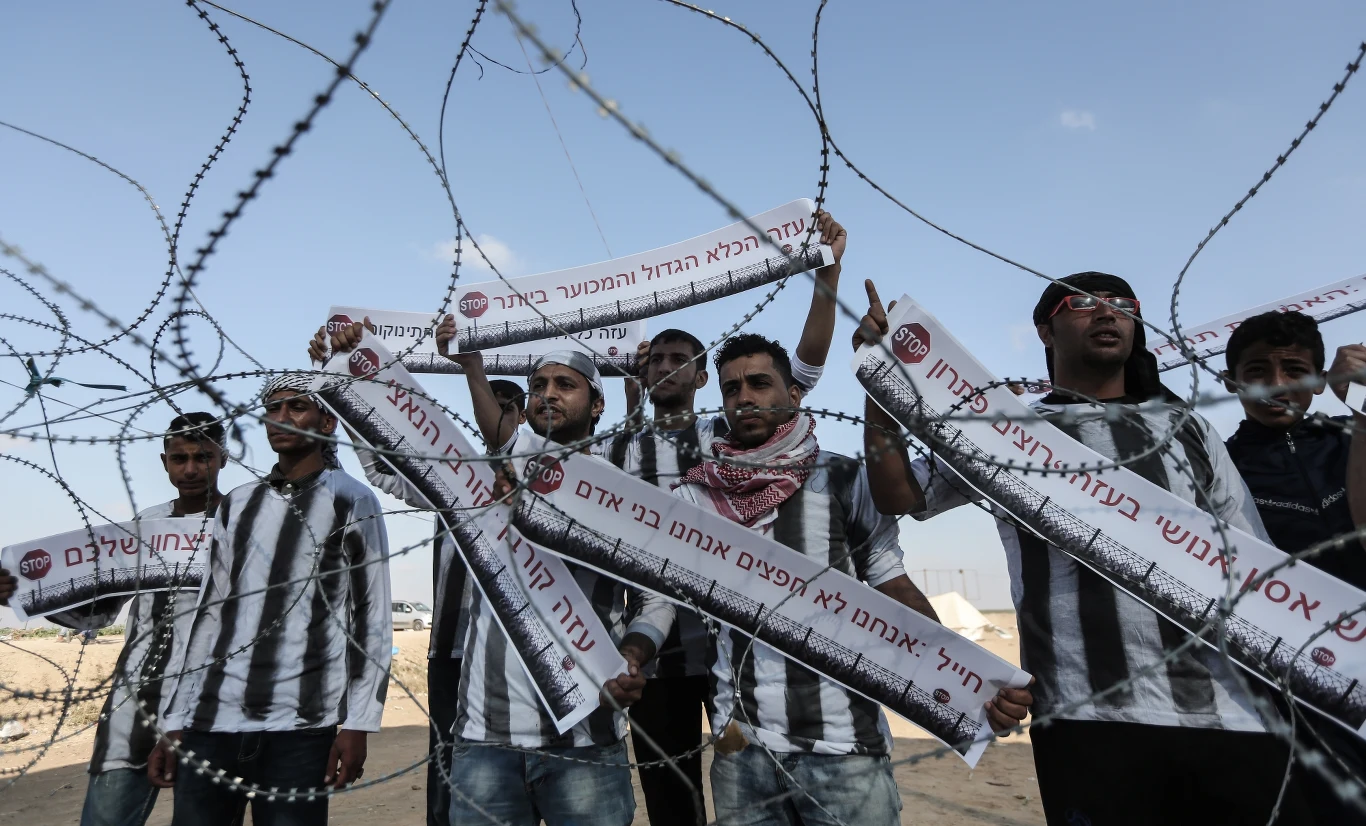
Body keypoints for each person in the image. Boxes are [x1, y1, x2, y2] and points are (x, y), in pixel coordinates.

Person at [856, 273, 1317, 825]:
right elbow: (898, 494)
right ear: (1045, 331)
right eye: (1086, 305)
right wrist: (880, 384)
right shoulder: (1002, 435)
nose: (1107, 314)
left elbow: (1254, 560)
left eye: (1123, 306)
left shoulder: (1185, 428)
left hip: (1230, 714)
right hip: (1083, 717)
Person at [667, 332, 1030, 826]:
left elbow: (891, 585)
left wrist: (971, 681)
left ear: (793, 395)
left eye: (759, 383)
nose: (745, 398)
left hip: (845, 751)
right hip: (743, 753)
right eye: (732, 389)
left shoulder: (841, 479)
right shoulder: (698, 497)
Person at [324, 316, 671, 826]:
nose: (547, 394)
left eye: (564, 385)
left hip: (584, 738)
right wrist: (348, 372)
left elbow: (655, 598)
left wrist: (632, 654)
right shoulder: (479, 483)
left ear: (597, 405)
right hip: (485, 741)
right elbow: (385, 470)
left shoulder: (621, 495)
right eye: (538, 386)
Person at [604, 210, 862, 826]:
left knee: (738, 768)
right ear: (641, 371)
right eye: (655, 356)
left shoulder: (731, 426)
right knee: (671, 795)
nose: (665, 364)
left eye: (679, 357)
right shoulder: (615, 449)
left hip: (727, 639)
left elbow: (801, 368)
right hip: (660, 641)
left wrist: (828, 275)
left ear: (701, 377)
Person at [305, 331, 530, 826]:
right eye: (494, 406)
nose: (504, 417)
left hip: (522, 651)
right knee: (449, 774)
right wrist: (351, 405)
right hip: (453, 649)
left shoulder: (548, 483)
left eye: (512, 408)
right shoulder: (454, 479)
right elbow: (382, 472)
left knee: (528, 773)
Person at [148, 375, 392, 826]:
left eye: (296, 407)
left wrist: (359, 722)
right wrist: (175, 717)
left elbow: (372, 616)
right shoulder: (237, 504)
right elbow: (210, 614)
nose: (281, 419)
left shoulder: (350, 500)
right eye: (273, 408)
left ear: (327, 421)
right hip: (211, 721)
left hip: (298, 726)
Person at [0, 413, 227, 826]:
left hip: (214, 702)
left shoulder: (246, 522)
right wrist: (24, 592)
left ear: (223, 458)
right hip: (135, 702)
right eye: (180, 458)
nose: (191, 469)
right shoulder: (146, 524)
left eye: (202, 457)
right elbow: (100, 609)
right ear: (164, 462)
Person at [1222, 310, 1366, 818]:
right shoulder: (1221, 464)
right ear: (1231, 381)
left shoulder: (1350, 434)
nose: (1276, 385)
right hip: (1298, 678)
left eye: (1295, 369)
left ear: (1321, 379)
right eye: (1257, 371)